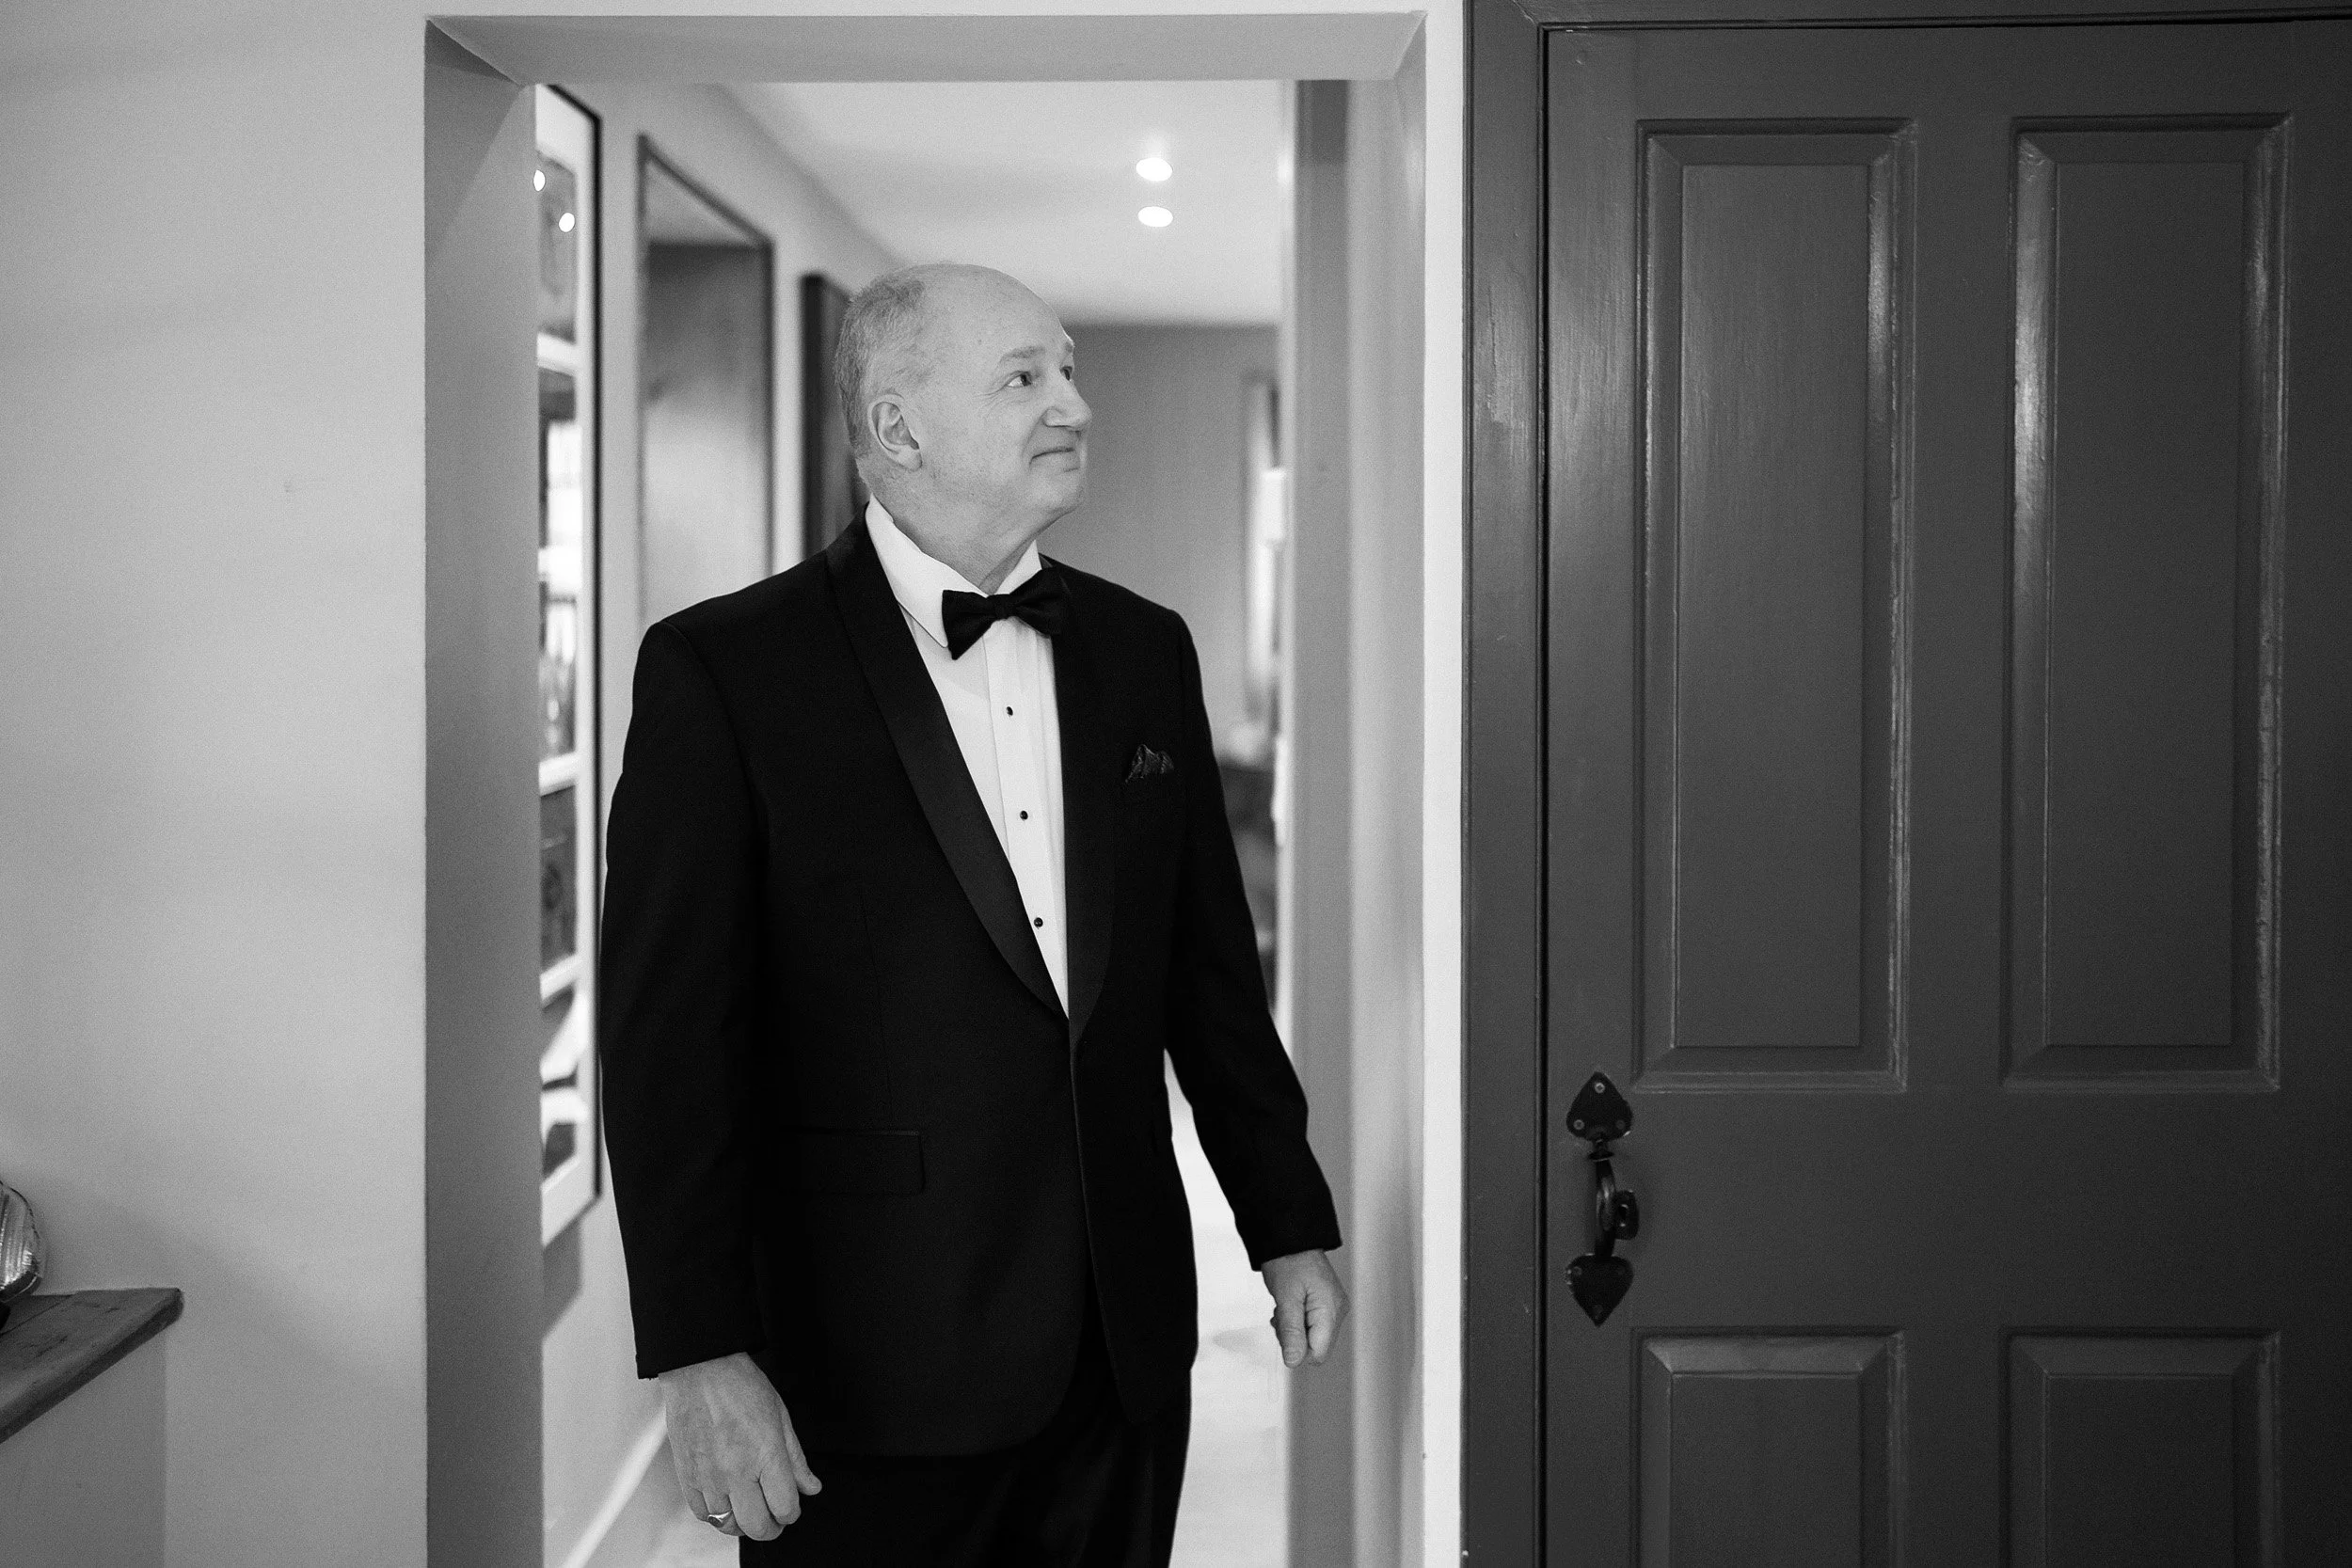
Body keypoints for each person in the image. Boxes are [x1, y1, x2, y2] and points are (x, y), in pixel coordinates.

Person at [598, 261, 1347, 1565]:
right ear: (899, 427)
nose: (1072, 401)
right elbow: (666, 1049)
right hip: (863, 1361)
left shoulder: (1143, 652)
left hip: (1121, 1352)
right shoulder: (722, 674)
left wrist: (1283, 1218)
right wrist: (698, 1349)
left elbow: (1207, 978)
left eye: (1069, 369)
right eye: (1024, 377)